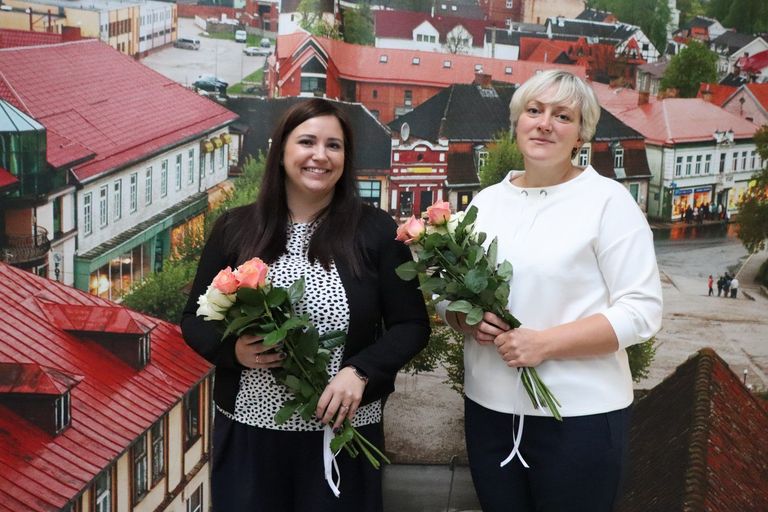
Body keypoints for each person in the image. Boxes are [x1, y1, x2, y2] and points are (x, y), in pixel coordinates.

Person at [181, 98, 430, 512]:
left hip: (345, 434)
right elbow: (193, 318)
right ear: (281, 151)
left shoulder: (375, 232)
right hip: (250, 433)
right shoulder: (235, 229)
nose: (320, 155)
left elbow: (412, 324)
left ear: (345, 159)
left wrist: (361, 371)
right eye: (307, 142)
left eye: (334, 145)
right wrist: (233, 350)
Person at [440, 70, 663, 512]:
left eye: (562, 116)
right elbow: (447, 294)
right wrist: (463, 318)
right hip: (489, 410)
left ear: (581, 134)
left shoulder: (609, 202)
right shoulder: (486, 202)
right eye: (534, 111)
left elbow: (641, 312)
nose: (544, 124)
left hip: (580, 417)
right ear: (517, 121)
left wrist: (544, 344)